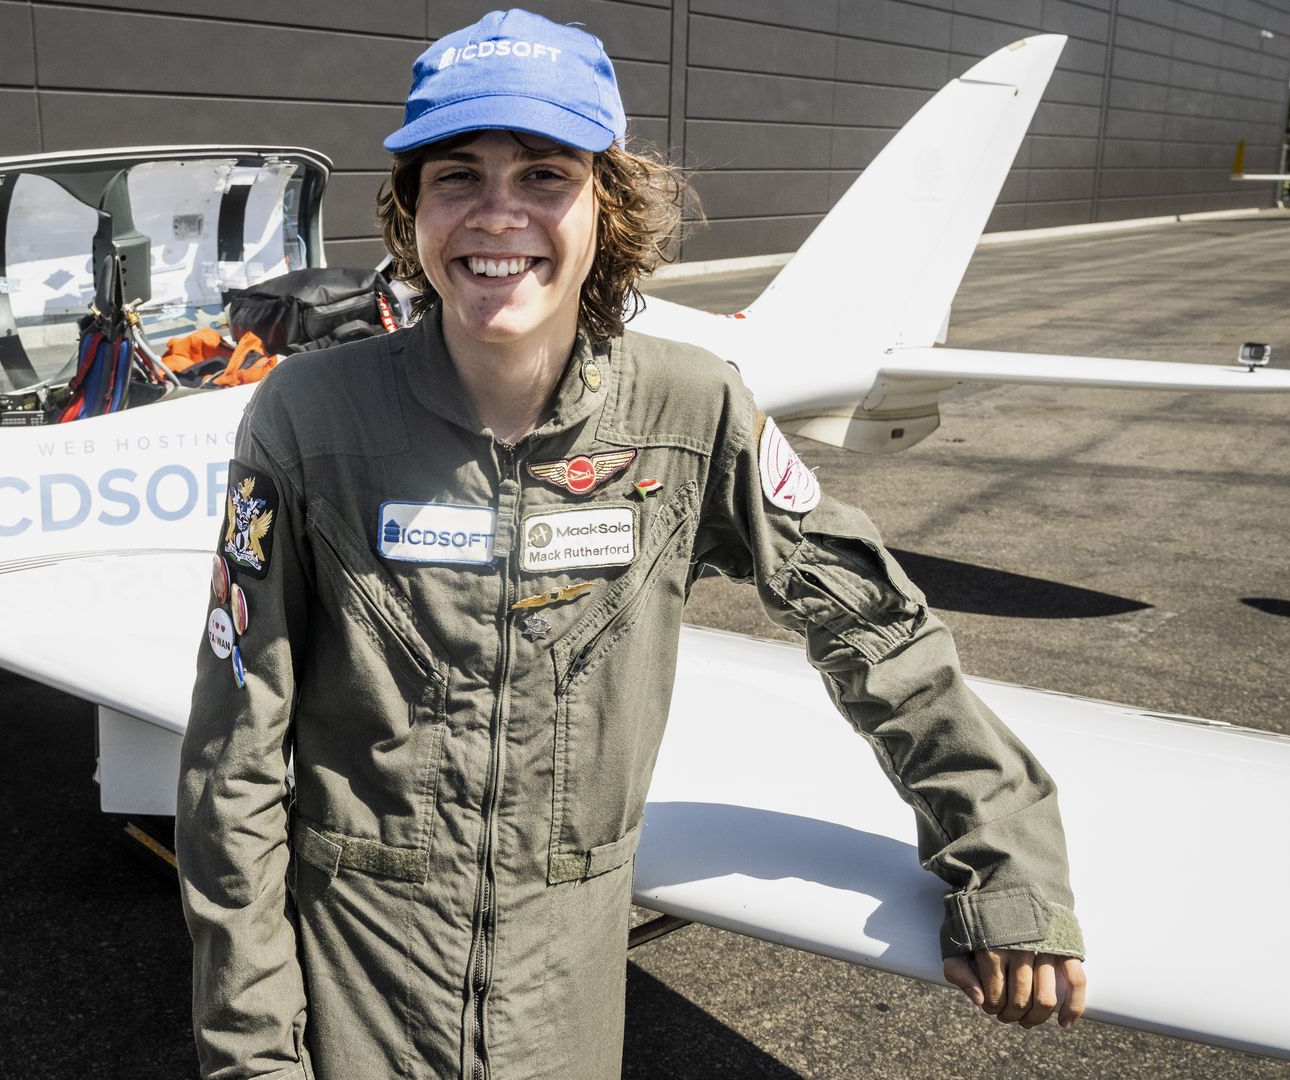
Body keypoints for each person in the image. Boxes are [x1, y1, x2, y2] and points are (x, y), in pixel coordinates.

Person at [177, 10, 1087, 1079]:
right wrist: (253, 1056)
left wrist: (1005, 854)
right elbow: (232, 759)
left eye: (547, 176)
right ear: (410, 213)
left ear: (608, 208)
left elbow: (872, 627)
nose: (497, 215)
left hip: (562, 1004)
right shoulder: (309, 419)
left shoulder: (691, 409)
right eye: (457, 175)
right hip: (358, 992)